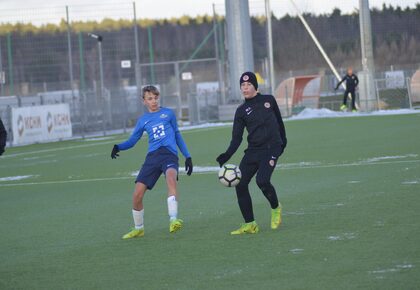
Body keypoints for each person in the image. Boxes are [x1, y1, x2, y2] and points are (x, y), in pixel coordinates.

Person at [111, 85, 193, 239]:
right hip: (152, 158)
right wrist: (118, 147)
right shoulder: (143, 120)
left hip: (169, 155)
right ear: (144, 101)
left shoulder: (168, 113)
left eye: (155, 98)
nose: (154, 101)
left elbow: (177, 134)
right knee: (137, 195)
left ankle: (174, 220)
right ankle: (139, 228)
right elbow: (133, 140)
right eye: (150, 99)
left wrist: (187, 156)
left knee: (170, 178)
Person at [216, 72, 287, 235]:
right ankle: (250, 224)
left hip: (272, 148)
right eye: (242, 85)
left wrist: (283, 143)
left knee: (262, 180)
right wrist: (227, 154)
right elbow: (237, 138)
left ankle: (276, 208)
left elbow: (279, 122)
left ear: (255, 86)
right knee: (240, 184)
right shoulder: (241, 111)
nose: (245, 88)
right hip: (254, 150)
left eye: (248, 85)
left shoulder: (269, 100)